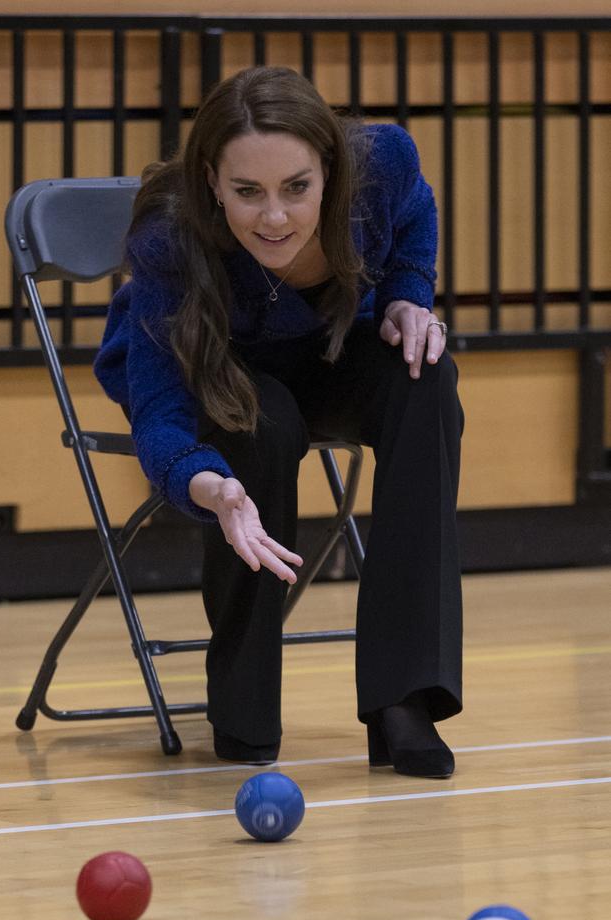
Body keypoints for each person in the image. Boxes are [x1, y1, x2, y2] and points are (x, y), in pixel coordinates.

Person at [94, 65, 464, 778]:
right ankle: (244, 705)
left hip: (331, 344)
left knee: (426, 376)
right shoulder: (170, 239)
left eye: (296, 187)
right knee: (258, 429)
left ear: (329, 169)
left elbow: (417, 212)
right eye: (247, 192)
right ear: (210, 179)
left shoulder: (380, 166)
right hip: (226, 367)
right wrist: (208, 486)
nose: (275, 218)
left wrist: (407, 296)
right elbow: (164, 410)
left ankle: (404, 700)